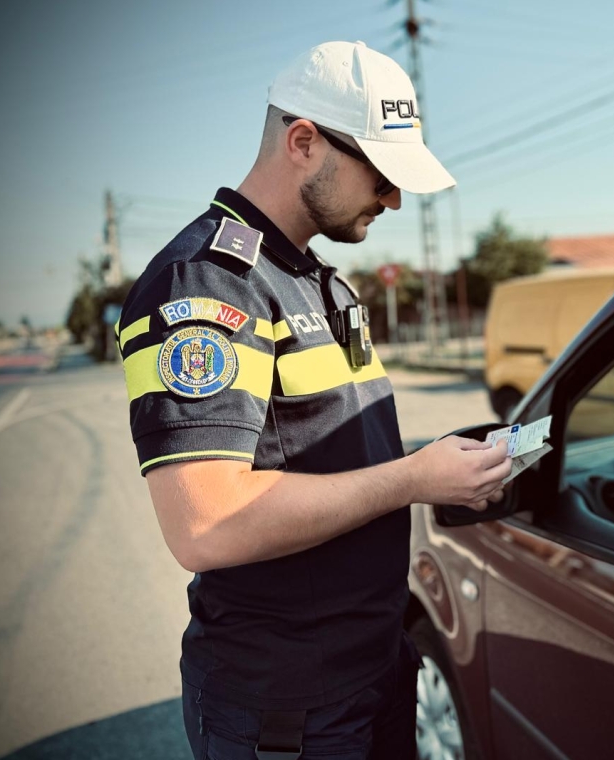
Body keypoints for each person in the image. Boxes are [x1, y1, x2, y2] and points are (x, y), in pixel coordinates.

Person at [116, 41, 511, 760]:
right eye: (383, 176)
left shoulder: (316, 278)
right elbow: (205, 525)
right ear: (304, 141)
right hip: (286, 708)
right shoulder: (207, 285)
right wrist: (414, 478)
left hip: (372, 672)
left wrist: (449, 471)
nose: (393, 199)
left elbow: (338, 453)